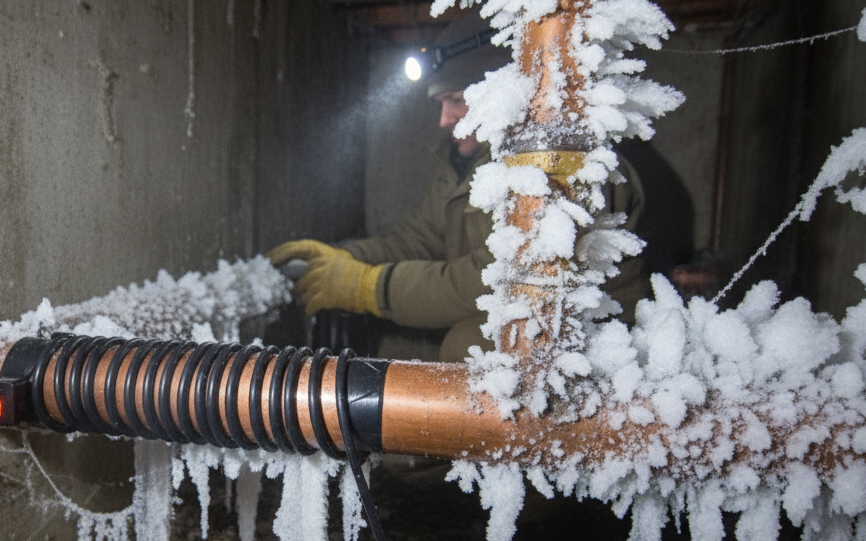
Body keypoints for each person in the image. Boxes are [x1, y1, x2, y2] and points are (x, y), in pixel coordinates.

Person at [266, 16, 650, 363]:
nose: (444, 120)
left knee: (468, 344)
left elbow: (496, 277)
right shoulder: (467, 163)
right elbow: (418, 240)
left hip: (597, 339)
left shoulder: (564, 165)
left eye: (455, 101)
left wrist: (366, 287)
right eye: (441, 103)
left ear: (503, 94)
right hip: (523, 314)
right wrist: (337, 260)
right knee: (413, 347)